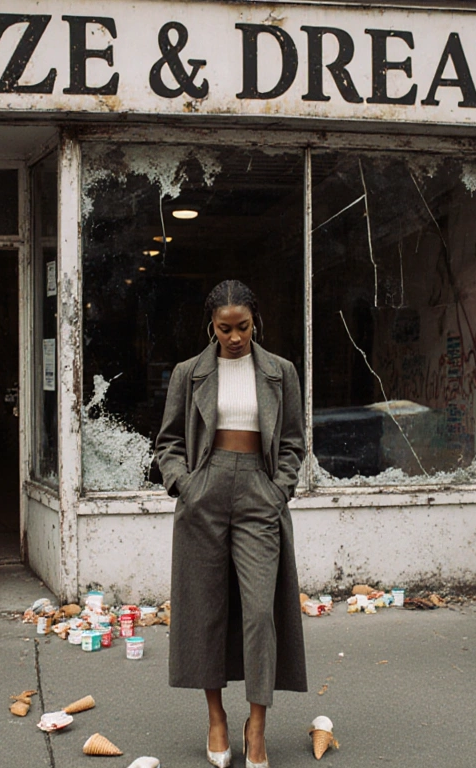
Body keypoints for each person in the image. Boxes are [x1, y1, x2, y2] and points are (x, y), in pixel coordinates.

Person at [155, 280, 307, 768]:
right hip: (205, 490)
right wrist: (185, 485)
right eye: (225, 329)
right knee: (207, 610)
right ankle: (216, 717)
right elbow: (168, 441)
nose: (235, 337)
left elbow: (293, 441)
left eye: (243, 326)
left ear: (255, 321)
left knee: (261, 611)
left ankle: (256, 725)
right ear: (212, 327)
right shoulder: (189, 373)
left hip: (260, 492)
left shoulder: (280, 372)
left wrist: (278, 489)